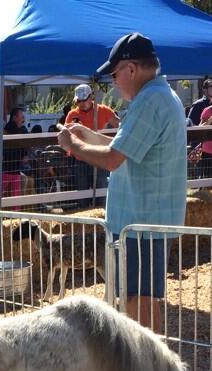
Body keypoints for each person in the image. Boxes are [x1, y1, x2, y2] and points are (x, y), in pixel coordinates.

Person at [57, 32, 186, 333]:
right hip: (148, 223)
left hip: (140, 225)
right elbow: (127, 147)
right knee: (144, 299)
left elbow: (114, 158)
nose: (113, 82)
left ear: (131, 68)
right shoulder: (162, 96)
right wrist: (87, 136)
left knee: (136, 301)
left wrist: (72, 145)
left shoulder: (150, 100)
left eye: (114, 74)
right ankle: (149, 369)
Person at [65, 84, 120, 191]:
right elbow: (66, 134)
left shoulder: (104, 110)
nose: (81, 103)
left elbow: (120, 125)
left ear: (91, 97)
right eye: (78, 101)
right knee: (82, 193)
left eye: (84, 100)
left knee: (102, 192)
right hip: (80, 159)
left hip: (100, 157)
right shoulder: (72, 114)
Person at [2, 106, 28, 198]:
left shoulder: (18, 130)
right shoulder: (11, 129)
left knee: (10, 194)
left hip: (12, 169)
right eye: (21, 117)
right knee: (15, 196)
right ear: (14, 118)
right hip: (8, 170)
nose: (23, 119)